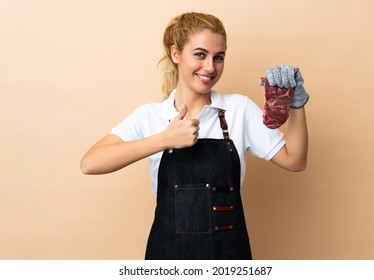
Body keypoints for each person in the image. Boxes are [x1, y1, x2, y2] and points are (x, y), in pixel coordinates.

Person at [80, 12, 309, 260]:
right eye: (200, 54)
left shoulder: (238, 110)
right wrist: (165, 139)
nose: (210, 67)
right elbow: (90, 163)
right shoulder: (151, 116)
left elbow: (294, 160)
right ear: (175, 54)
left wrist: (296, 103)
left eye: (218, 57)